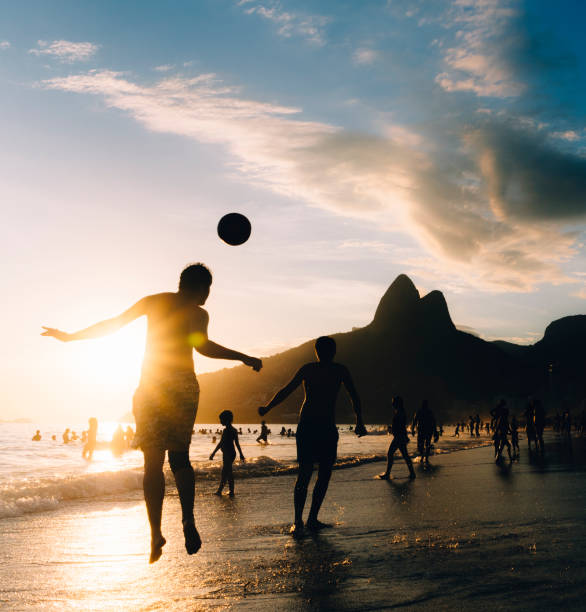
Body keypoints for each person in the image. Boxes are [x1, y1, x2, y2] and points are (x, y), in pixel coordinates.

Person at [42, 263, 262, 563]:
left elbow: (113, 324)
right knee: (180, 458)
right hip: (183, 386)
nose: (209, 295)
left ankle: (155, 532)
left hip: (152, 387)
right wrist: (243, 357)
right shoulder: (199, 314)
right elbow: (204, 347)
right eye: (208, 289)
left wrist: (70, 337)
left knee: (152, 463)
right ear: (199, 287)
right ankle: (187, 519)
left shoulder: (154, 301)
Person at [258, 336, 365, 535]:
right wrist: (359, 421)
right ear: (333, 351)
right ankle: (305, 520)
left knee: (308, 474)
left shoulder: (312, 369)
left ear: (317, 351)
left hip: (311, 425)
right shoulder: (337, 369)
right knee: (319, 474)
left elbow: (286, 391)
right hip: (320, 426)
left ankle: (302, 521)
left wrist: (268, 408)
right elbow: (354, 396)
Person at [379, 396, 416, 480]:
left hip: (399, 437)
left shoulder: (400, 413)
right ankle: (412, 473)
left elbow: (399, 426)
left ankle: (388, 474)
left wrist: (391, 429)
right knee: (405, 455)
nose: (392, 404)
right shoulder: (401, 412)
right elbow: (400, 426)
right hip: (401, 436)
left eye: (393, 402)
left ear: (397, 403)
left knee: (390, 454)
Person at [209, 410, 245, 496]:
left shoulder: (226, 431)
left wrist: (213, 453)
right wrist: (241, 454)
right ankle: (223, 491)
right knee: (226, 472)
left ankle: (227, 491)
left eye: (221, 419)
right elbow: (237, 444)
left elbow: (221, 443)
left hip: (228, 453)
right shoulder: (234, 430)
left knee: (227, 472)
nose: (220, 421)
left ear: (226, 420)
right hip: (231, 453)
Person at [411, 400, 438, 466]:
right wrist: (412, 429)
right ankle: (424, 457)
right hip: (425, 430)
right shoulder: (424, 412)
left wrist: (412, 430)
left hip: (424, 430)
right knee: (424, 445)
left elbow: (414, 421)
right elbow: (414, 421)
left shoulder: (421, 412)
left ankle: (425, 458)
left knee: (423, 445)